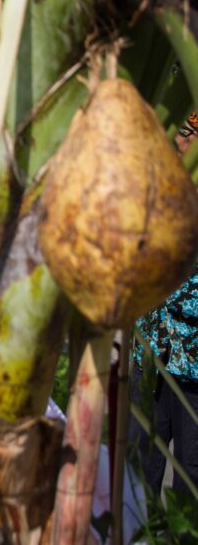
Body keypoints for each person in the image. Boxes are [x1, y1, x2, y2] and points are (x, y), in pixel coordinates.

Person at [129, 114, 198, 499]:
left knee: (191, 471)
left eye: (187, 134)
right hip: (151, 358)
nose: (177, 141)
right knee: (143, 462)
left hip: (193, 371)